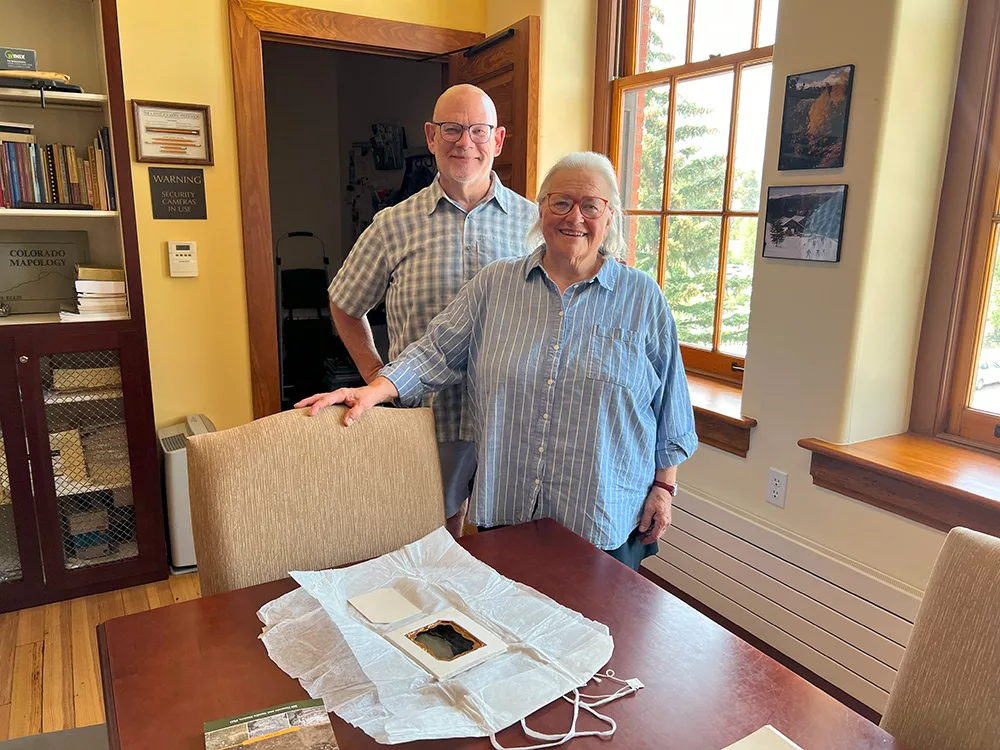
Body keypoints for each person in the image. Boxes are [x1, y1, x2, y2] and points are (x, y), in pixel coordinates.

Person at [299, 152, 698, 569]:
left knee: (594, 631)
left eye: (590, 205)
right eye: (560, 202)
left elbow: (669, 405)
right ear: (540, 208)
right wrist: (373, 390)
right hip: (511, 509)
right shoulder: (495, 284)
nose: (574, 217)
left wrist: (664, 488)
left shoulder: (642, 298)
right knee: (505, 625)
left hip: (602, 516)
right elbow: (435, 350)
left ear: (610, 216)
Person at [318, 84, 537, 537]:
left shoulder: (534, 224)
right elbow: (344, 303)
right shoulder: (392, 224)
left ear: (497, 140)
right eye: (452, 129)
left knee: (515, 545)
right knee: (431, 543)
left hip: (510, 420)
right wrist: (378, 374)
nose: (465, 142)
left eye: (478, 130)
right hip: (426, 420)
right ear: (431, 136)